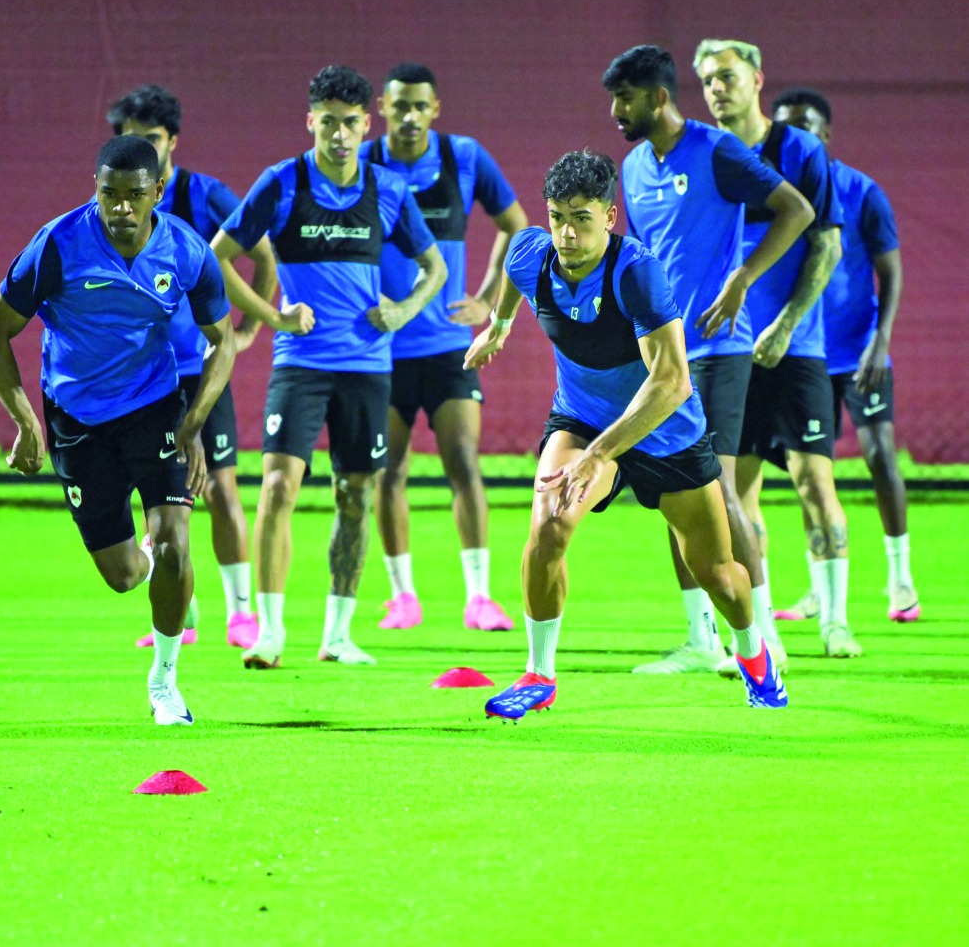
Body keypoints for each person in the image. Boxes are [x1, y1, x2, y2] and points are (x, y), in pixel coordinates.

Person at [464, 150, 788, 720]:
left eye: (581, 218)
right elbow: (514, 280)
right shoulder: (530, 254)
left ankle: (753, 654)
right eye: (557, 217)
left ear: (609, 217)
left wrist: (599, 455)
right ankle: (539, 674)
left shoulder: (636, 272)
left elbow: (672, 381)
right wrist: (499, 326)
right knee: (548, 529)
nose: (567, 233)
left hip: (666, 431)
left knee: (718, 574)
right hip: (582, 417)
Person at [0, 136, 235, 725]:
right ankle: (157, 570)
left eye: (134, 195)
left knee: (174, 546)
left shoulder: (185, 251)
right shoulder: (58, 245)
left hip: (155, 407)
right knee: (124, 576)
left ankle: (164, 683)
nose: (120, 207)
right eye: (108, 194)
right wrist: (25, 420)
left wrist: (194, 422)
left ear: (157, 192)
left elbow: (223, 341)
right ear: (94, 188)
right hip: (77, 418)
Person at [211, 66, 446, 669]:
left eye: (350, 124)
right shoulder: (282, 182)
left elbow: (436, 269)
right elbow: (217, 259)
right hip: (301, 363)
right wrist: (273, 317)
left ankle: (337, 637)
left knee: (355, 493)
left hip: (367, 366)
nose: (340, 135)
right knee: (277, 487)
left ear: (367, 124)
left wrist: (403, 310)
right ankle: (269, 634)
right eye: (328, 123)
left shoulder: (388, 188)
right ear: (310, 121)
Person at [602, 45, 814, 676]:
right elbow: (642, 259)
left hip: (720, 347)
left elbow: (797, 211)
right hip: (663, 354)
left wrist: (743, 277)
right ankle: (702, 640)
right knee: (675, 492)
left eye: (626, 99)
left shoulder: (716, 149)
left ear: (659, 98)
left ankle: (765, 637)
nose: (616, 111)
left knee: (715, 489)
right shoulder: (633, 166)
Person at [693, 38, 859, 659]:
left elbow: (827, 245)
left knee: (815, 482)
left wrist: (786, 325)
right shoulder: (705, 155)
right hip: (725, 352)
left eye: (728, 75)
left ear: (758, 79)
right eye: (707, 80)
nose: (717, 88)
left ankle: (835, 621)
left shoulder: (801, 151)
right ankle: (761, 629)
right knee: (734, 496)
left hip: (797, 349)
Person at [107, 84, 278, 650]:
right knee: (153, 494)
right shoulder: (112, 208)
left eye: (153, 139)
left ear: (173, 141)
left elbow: (262, 253)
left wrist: (249, 328)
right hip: (141, 376)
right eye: (133, 139)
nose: (144, 149)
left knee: (220, 487)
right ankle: (183, 611)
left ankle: (242, 614)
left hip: (198, 370)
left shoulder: (204, 195)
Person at [359, 63, 528, 632]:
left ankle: (479, 598)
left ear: (435, 110)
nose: (410, 116)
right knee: (388, 473)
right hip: (382, 349)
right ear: (382, 108)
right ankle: (402, 598)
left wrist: (486, 298)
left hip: (448, 347)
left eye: (420, 106)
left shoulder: (463, 158)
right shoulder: (364, 164)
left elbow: (517, 226)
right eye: (400, 105)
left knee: (464, 464)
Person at [771, 87, 919, 623]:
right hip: (803, 355)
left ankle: (900, 580)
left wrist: (881, 340)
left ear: (826, 134)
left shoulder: (861, 191)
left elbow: (891, 271)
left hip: (859, 351)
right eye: (786, 128)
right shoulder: (772, 195)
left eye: (806, 126)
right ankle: (819, 588)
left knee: (880, 455)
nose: (796, 136)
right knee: (809, 472)